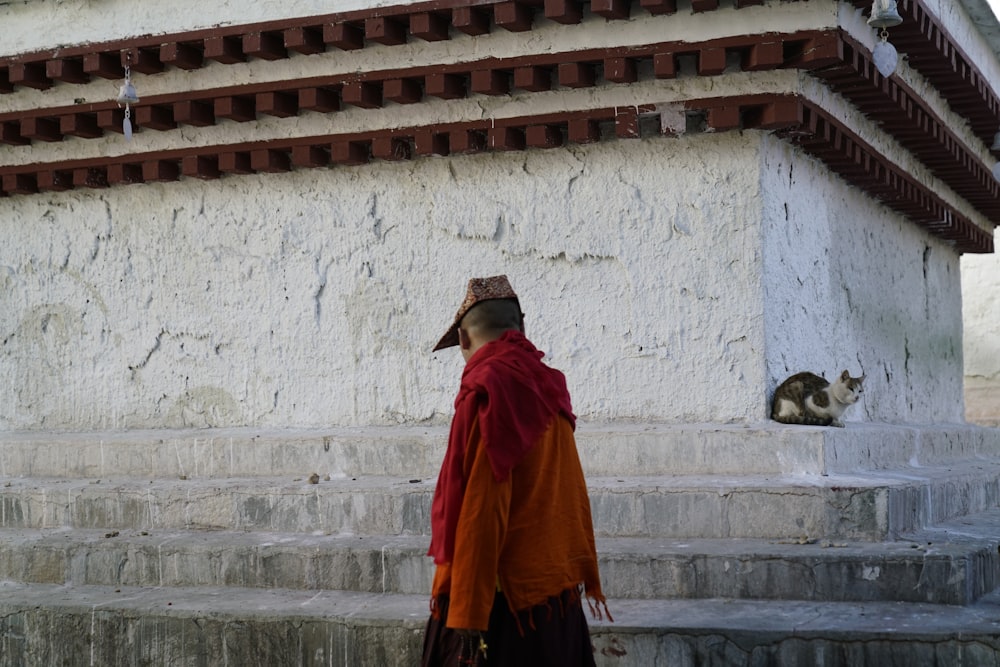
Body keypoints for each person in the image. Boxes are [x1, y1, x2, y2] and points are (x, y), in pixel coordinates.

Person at [422, 275, 609, 667]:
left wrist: (467, 611)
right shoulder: (549, 388)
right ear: (520, 329)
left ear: (464, 339)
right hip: (554, 596)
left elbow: (481, 509)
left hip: (505, 607)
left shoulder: (487, 391)